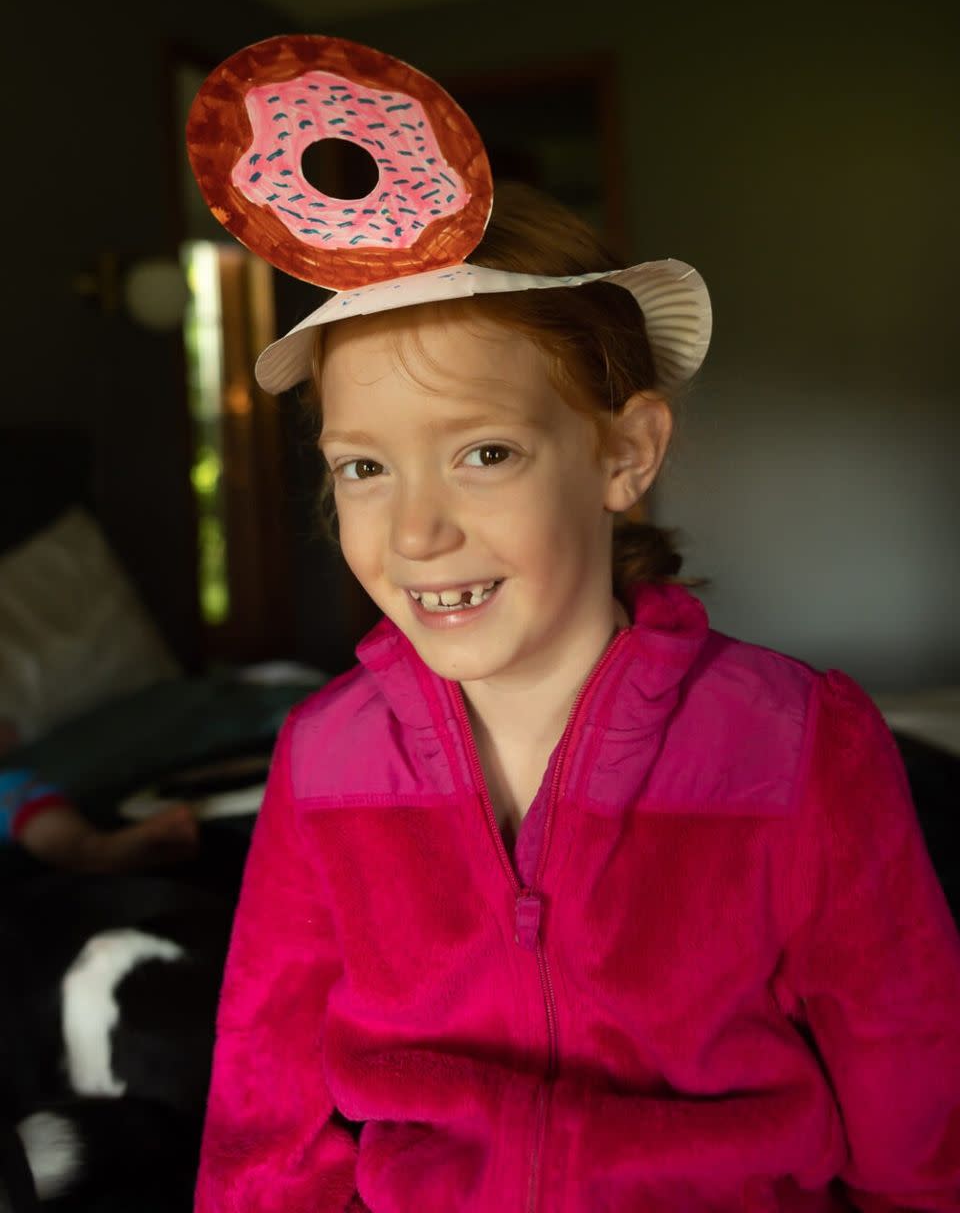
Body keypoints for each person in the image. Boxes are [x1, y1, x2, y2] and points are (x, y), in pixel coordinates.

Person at [192, 179, 960, 1212]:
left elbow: (914, 1090)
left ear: (625, 452)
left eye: (484, 453)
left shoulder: (800, 742)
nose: (416, 531)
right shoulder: (322, 759)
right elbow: (265, 1119)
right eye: (365, 467)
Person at [0, 764, 198, 872]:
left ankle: (166, 827)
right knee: (95, 860)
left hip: (14, 798)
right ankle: (169, 845)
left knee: (90, 851)